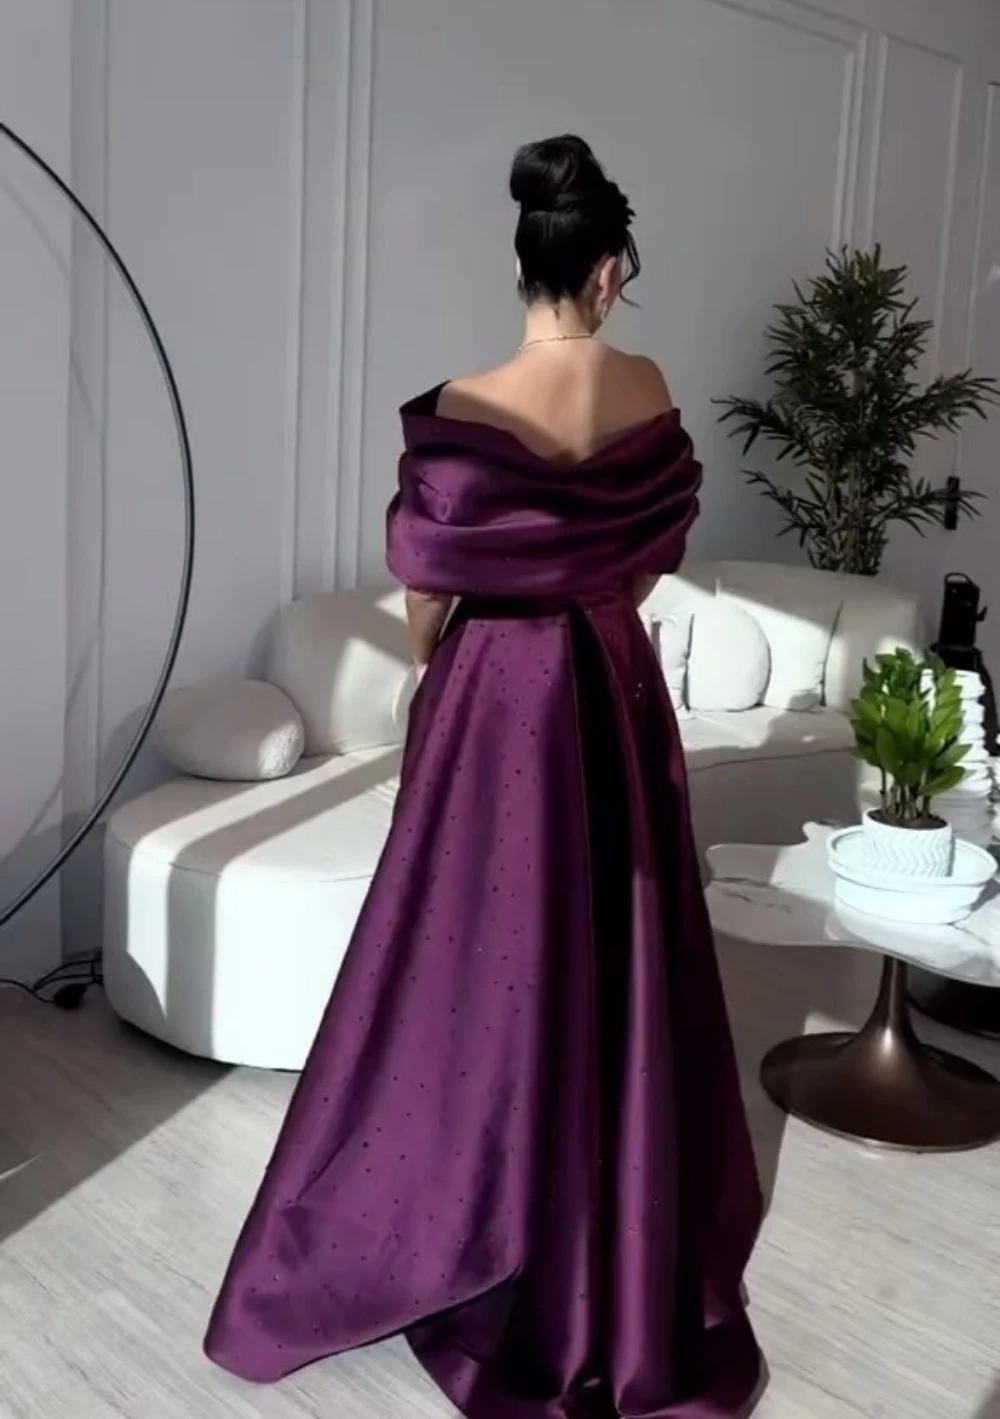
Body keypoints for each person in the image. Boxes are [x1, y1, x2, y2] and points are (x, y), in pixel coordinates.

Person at [205, 134, 763, 1418]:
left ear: (525, 265)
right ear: (608, 270)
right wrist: (592, 602)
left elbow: (424, 589)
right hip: (609, 678)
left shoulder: (462, 402)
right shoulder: (644, 382)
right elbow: (650, 557)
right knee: (612, 948)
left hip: (494, 693)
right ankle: (606, 1210)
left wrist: (438, 667)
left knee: (475, 957)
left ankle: (458, 1201)